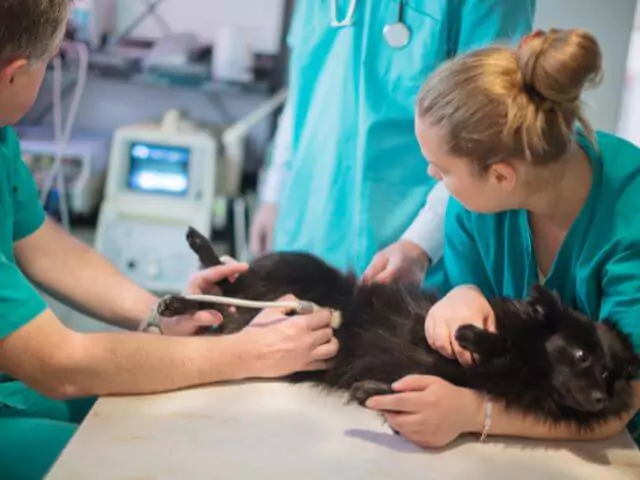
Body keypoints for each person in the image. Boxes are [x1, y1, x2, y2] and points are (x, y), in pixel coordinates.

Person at [0, 2, 337, 478]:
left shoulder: (1, 138)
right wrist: (247, 353)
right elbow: (59, 365)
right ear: (12, 75)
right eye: (49, 62)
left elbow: (42, 245)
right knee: (152, 461)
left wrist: (162, 314)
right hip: (37, 375)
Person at [364, 28, 640, 448]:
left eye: (442, 169)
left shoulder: (629, 220)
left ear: (501, 176)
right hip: (524, 427)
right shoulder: (474, 211)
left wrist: (476, 414)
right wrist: (464, 294)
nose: (432, 178)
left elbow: (623, 401)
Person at [250, 0, 537, 284]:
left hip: (417, 255)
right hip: (306, 222)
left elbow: (489, 129)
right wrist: (274, 194)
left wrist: (420, 244)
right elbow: (305, 88)